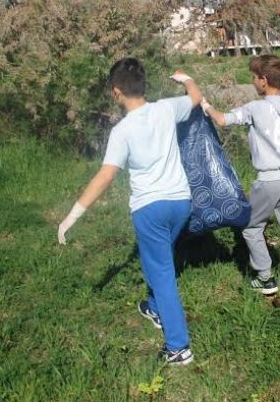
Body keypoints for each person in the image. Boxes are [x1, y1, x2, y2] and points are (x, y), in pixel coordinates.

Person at [57, 58, 202, 365]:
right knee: (159, 259)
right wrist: (186, 78)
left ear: (116, 92)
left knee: (162, 273)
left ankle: (178, 346)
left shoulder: (122, 131)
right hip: (181, 203)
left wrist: (72, 216)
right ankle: (153, 306)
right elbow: (195, 98)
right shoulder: (166, 108)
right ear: (143, 86)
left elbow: (106, 176)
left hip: (150, 209)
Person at [202, 54, 280, 315]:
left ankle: (265, 278)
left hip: (268, 182)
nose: (253, 82)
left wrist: (206, 105)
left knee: (251, 228)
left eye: (254, 77)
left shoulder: (256, 108)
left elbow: (222, 120)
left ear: (263, 81)